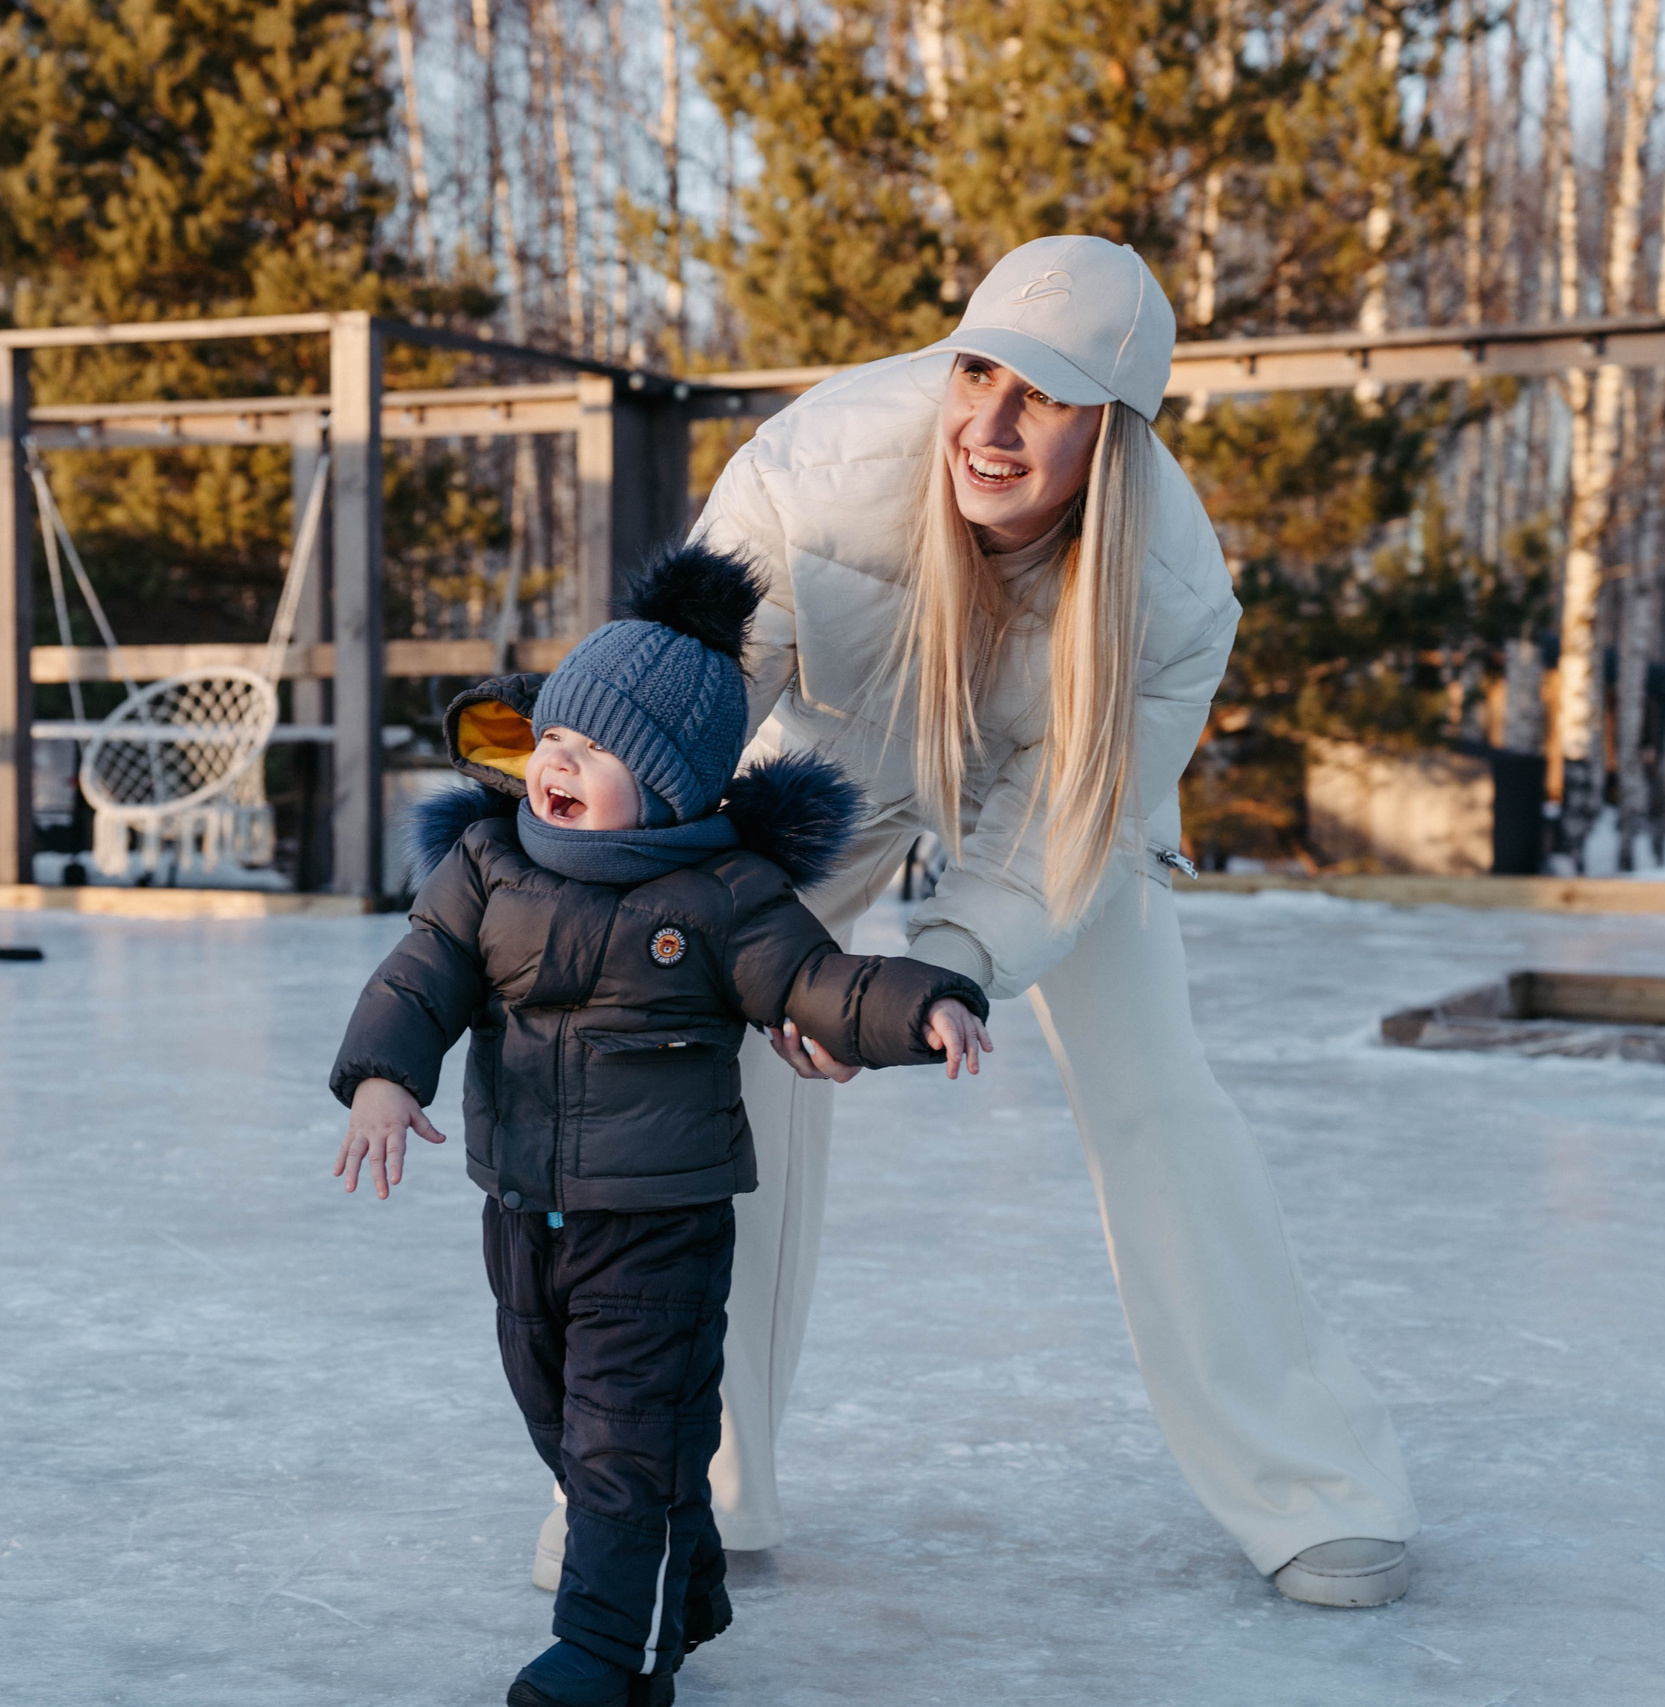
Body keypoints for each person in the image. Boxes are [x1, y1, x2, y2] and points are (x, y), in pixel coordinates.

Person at [557, 234, 1423, 1610]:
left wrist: (936, 968)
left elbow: (1063, 827)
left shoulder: (1176, 593)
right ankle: (683, 1480)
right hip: (832, 767)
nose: (995, 422)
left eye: (1050, 396)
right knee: (704, 1038)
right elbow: (686, 699)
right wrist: (622, 873)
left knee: (1154, 1088)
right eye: (978, 371)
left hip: (1055, 791)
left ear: (1117, 427)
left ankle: (1318, 1485)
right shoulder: (816, 471)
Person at [329, 544, 993, 1707]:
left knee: (621, 1440)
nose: (557, 764)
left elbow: (819, 981)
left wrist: (923, 1000)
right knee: (553, 1412)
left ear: (674, 783)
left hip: (659, 1225)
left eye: (596, 751)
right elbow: (420, 974)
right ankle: (675, 1579)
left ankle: (613, 1658)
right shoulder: (486, 867)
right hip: (522, 1209)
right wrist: (385, 1074)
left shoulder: (724, 896)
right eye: (553, 740)